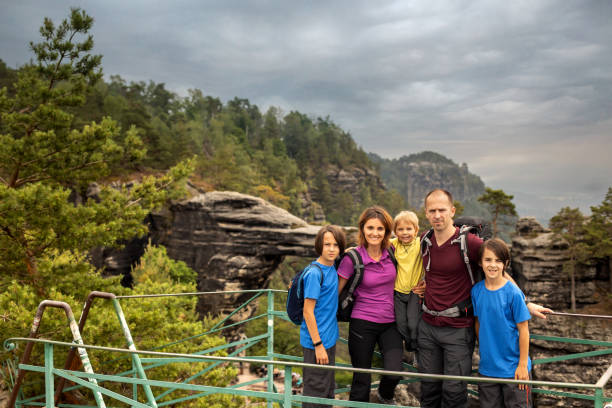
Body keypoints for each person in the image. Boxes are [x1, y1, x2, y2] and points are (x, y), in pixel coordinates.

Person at [418, 189, 551, 408]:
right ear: (426, 213)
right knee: (429, 389)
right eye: (432, 210)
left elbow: (496, 267)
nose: (437, 215)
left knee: (454, 392)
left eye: (442, 210)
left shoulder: (469, 243)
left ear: (452, 211)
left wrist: (524, 302)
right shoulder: (425, 240)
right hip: (428, 326)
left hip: (458, 329)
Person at [337, 206, 403, 404]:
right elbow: (335, 291)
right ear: (362, 229)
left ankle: (384, 395)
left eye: (380, 229)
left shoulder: (392, 251)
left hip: (390, 323)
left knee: (394, 372)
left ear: (386, 232)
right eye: (370, 228)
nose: (375, 233)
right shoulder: (352, 259)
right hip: (362, 323)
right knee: (362, 379)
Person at [472, 238, 532, 407]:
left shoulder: (513, 293)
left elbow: (524, 330)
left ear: (505, 264)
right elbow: (478, 323)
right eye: (488, 260)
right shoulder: (476, 291)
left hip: (514, 370)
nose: (493, 265)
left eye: (498, 261)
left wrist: (522, 365)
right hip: (487, 370)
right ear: (480, 262)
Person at [301, 225, 346, 408]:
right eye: (327, 244)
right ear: (319, 245)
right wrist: (318, 345)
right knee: (315, 393)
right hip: (316, 343)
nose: (331, 249)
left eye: (336, 245)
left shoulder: (332, 266)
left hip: (329, 340)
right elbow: (307, 311)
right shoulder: (314, 273)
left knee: (327, 391)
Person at [391, 210, 426, 353]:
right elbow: (374, 244)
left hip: (414, 292)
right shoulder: (393, 244)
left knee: (413, 323)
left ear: (416, 230)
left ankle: (417, 348)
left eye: (409, 229)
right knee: (401, 324)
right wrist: (353, 249)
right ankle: (410, 345)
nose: (405, 233)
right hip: (398, 292)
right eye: (400, 229)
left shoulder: (419, 243)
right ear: (395, 231)